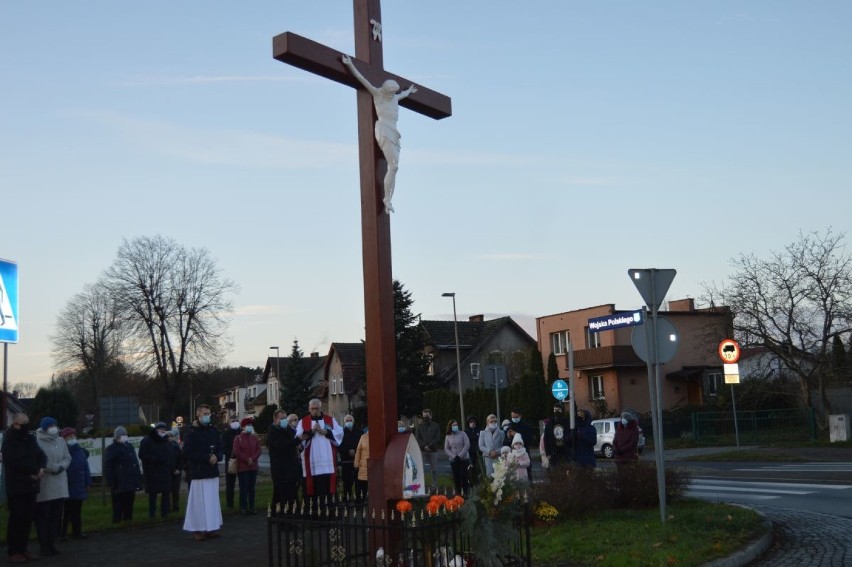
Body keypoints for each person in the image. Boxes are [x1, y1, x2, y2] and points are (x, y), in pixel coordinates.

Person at [341, 54, 417, 213]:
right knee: (394, 166)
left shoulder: (395, 98)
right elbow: (361, 78)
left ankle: (388, 198)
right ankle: (387, 199)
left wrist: (409, 91)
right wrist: (350, 64)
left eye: (394, 92)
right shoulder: (377, 94)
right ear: (386, 89)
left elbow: (402, 95)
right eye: (391, 91)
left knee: (394, 167)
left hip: (394, 133)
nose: (392, 94)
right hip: (383, 129)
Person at [3, 413, 46, 564]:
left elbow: (41, 455)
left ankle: (23, 548)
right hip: (17, 487)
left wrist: (40, 469)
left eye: (28, 422)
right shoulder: (8, 442)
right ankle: (14, 551)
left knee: (28, 519)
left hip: (31, 486)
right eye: (23, 423)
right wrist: (33, 472)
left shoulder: (31, 438)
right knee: (17, 519)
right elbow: (16, 463)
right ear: (15, 424)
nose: (26, 426)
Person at [182, 404, 224, 540]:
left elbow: (219, 447)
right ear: (198, 416)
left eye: (209, 413)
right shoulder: (192, 432)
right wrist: (206, 458)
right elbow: (187, 452)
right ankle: (197, 529)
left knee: (212, 502)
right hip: (199, 472)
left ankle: (211, 527)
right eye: (205, 414)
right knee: (198, 503)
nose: (208, 416)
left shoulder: (213, 430)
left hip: (212, 471)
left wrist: (217, 457)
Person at [295, 399, 344, 505]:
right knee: (313, 490)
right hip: (312, 464)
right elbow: (298, 438)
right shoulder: (303, 422)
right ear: (309, 409)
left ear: (321, 408)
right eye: (312, 408)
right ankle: (314, 516)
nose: (315, 411)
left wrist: (327, 432)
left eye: (317, 408)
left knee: (328, 491)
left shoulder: (330, 420)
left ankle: (330, 514)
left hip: (328, 464)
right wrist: (311, 432)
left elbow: (340, 433)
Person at [35, 416, 71, 557]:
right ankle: (43, 545)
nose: (54, 427)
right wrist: (55, 468)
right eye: (50, 426)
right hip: (45, 486)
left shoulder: (61, 440)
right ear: (44, 428)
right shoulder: (37, 442)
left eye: (55, 425)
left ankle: (52, 543)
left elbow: (67, 457)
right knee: (44, 518)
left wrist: (62, 467)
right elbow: (41, 461)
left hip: (60, 485)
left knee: (56, 517)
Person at [104, 425, 142, 524]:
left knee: (129, 503)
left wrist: (137, 479)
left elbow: (135, 463)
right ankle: (117, 521)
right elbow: (108, 466)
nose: (125, 437)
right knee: (118, 504)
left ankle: (128, 520)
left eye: (126, 435)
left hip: (130, 481)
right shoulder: (111, 449)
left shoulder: (129, 447)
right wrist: (111, 482)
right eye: (122, 435)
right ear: (117, 437)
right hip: (118, 482)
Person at [60, 427, 92, 540]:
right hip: (67, 485)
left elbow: (86, 467)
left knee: (77, 511)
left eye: (74, 436)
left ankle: (77, 532)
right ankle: (61, 534)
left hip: (79, 485)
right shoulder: (62, 451)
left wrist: (88, 482)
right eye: (69, 437)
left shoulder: (80, 451)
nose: (72, 438)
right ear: (64, 439)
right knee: (66, 512)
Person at [139, 421, 175, 518]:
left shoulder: (166, 441)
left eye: (164, 430)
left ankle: (165, 513)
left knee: (166, 493)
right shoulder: (147, 441)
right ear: (156, 430)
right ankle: (152, 514)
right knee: (153, 495)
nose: (163, 431)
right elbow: (142, 454)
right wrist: (154, 459)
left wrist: (172, 467)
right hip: (152, 472)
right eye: (161, 429)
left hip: (165, 472)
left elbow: (171, 455)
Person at [268, 409, 302, 512]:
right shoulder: (272, 431)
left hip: (290, 466)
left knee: (291, 492)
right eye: (282, 419)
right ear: (275, 419)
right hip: (280, 468)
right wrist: (297, 441)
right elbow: (282, 444)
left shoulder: (287, 429)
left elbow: (294, 437)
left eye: (285, 418)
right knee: (281, 493)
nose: (284, 421)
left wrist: (298, 442)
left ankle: (292, 515)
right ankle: (280, 516)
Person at [232, 416, 261, 515]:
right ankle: (243, 507)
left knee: (252, 488)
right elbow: (236, 451)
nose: (250, 426)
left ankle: (252, 507)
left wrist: (252, 458)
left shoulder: (254, 437)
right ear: (243, 426)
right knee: (244, 488)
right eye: (248, 425)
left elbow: (259, 450)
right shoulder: (238, 438)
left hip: (253, 466)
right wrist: (246, 459)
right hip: (243, 467)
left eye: (251, 425)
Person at [414, 409, 441, 493]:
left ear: (431, 416)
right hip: (422, 451)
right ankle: (420, 486)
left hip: (433, 451)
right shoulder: (419, 426)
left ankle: (434, 486)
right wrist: (424, 446)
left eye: (427, 415)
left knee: (434, 470)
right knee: (420, 469)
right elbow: (417, 438)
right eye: (424, 415)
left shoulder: (436, 425)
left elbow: (437, 438)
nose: (425, 417)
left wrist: (429, 446)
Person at [443, 419, 470, 495]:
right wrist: (454, 457)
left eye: (456, 425)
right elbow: (446, 449)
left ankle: (466, 493)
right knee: (456, 477)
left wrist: (460, 456)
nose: (455, 426)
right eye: (454, 425)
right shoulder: (448, 436)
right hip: (454, 460)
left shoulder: (463, 434)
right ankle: (458, 493)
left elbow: (467, 444)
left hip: (464, 459)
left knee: (464, 476)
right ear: (450, 427)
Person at [221, 414, 241, 510]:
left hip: (242, 460)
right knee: (230, 484)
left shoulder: (241, 432)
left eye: (236, 420)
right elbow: (224, 448)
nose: (235, 422)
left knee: (243, 483)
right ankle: (230, 504)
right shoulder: (226, 434)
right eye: (233, 421)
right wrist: (233, 454)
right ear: (229, 423)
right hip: (230, 461)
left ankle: (243, 503)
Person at [338, 414, 359, 500]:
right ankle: (346, 499)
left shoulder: (359, 432)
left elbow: (362, 445)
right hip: (346, 461)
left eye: (350, 421)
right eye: (347, 421)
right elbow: (339, 446)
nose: (349, 422)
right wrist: (347, 451)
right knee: (347, 482)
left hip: (357, 461)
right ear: (344, 422)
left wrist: (355, 451)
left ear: (353, 422)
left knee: (358, 482)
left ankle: (359, 499)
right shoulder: (341, 434)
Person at [478, 414, 505, 479]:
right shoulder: (483, 433)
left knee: (498, 478)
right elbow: (481, 446)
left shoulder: (501, 433)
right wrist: (489, 451)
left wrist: (496, 452)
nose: (493, 423)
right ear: (487, 422)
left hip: (498, 458)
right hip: (487, 458)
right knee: (489, 477)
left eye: (495, 421)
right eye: (491, 421)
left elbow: (503, 446)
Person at [165, 431, 183, 513]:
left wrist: (178, 469)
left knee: (176, 492)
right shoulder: (164, 447)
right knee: (167, 491)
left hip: (177, 473)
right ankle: (167, 508)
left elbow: (180, 459)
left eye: (171, 436)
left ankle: (176, 507)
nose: (169, 438)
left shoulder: (176, 447)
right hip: (168, 473)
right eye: (168, 437)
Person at [464, 415, 482, 486]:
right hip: (469, 453)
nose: (472, 423)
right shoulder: (466, 432)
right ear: (468, 423)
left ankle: (478, 482)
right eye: (470, 422)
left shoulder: (479, 431)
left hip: (478, 452)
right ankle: (471, 482)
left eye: (474, 422)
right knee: (471, 468)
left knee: (479, 468)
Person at [353, 428, 369, 501]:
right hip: (363, 466)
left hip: (374, 466)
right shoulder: (363, 437)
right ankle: (360, 503)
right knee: (362, 486)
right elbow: (358, 451)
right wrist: (356, 464)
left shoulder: (378, 436)